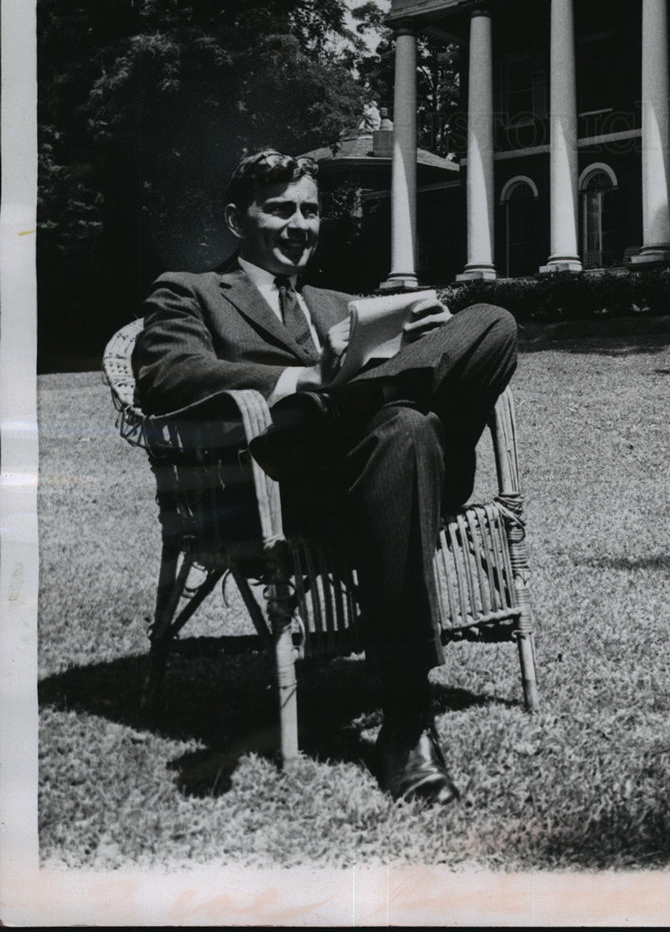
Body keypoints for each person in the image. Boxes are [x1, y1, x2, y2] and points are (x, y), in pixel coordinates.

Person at [132, 148, 518, 805]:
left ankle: (343, 410)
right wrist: (308, 378)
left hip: (384, 472)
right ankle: (407, 724)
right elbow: (165, 376)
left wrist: (426, 339)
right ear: (236, 218)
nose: (299, 223)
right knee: (407, 432)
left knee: (491, 326)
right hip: (282, 487)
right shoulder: (190, 292)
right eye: (280, 208)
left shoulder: (346, 303)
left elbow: (450, 361)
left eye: (310, 209)